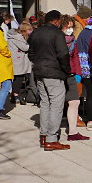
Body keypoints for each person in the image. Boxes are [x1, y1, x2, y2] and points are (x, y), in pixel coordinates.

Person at [28, 10, 71, 151]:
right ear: (56, 21)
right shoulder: (57, 33)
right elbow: (63, 53)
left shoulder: (36, 32)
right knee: (56, 105)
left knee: (45, 103)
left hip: (39, 71)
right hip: (53, 72)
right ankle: (51, 138)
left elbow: (31, 53)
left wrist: (39, 62)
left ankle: (44, 135)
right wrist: (66, 69)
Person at [59, 15, 88, 141]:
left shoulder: (73, 41)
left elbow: (75, 57)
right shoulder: (57, 40)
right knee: (57, 103)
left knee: (75, 101)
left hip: (71, 74)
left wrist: (78, 73)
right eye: (68, 27)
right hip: (59, 74)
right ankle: (52, 131)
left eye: (71, 27)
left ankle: (73, 132)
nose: (70, 29)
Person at [7, 22, 33, 105]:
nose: (30, 31)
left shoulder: (17, 37)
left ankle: (14, 94)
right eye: (29, 30)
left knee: (19, 78)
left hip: (19, 60)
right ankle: (15, 95)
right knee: (18, 78)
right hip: (17, 61)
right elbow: (25, 47)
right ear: (24, 30)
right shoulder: (17, 38)